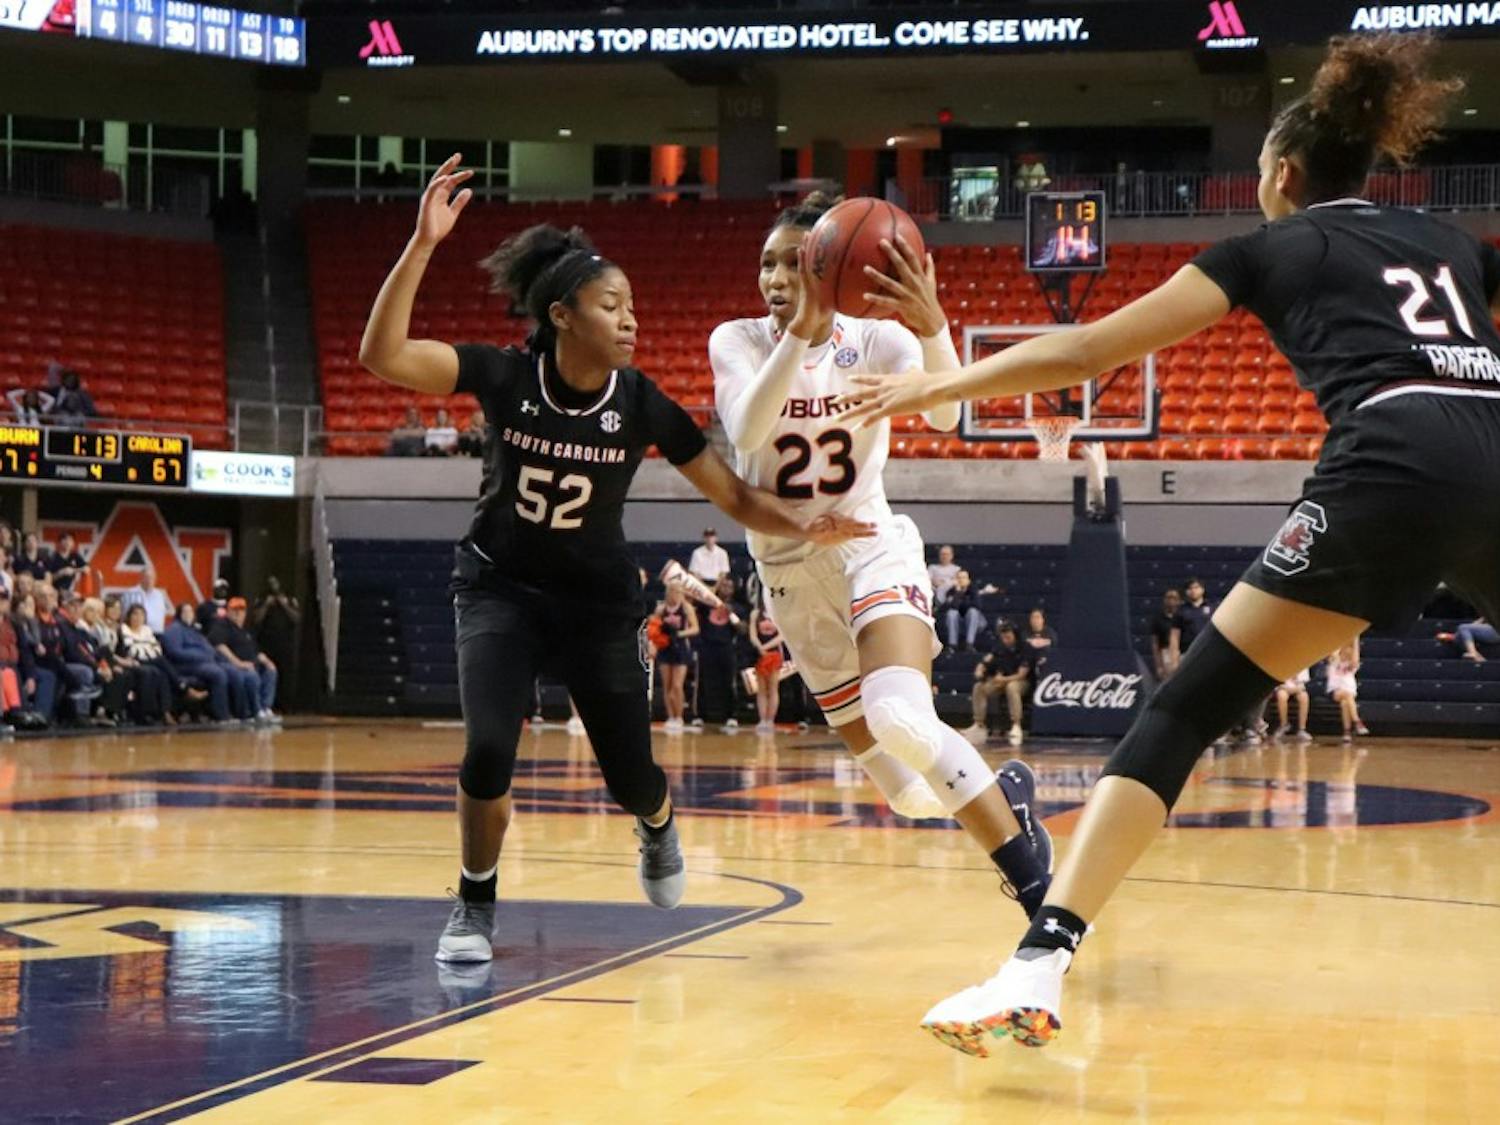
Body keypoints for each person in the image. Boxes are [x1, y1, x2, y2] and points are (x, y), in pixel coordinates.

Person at [836, 33, 1494, 1054]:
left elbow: (1088, 347)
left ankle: (1039, 958)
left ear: (1282, 174)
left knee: (1186, 708)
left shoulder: (1272, 246)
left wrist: (941, 382)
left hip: (1395, 454)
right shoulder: (1451, 241)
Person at [357, 153, 875, 965]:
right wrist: (423, 244)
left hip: (598, 606)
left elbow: (735, 497)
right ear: (562, 314)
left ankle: (657, 823)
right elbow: (382, 354)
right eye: (612, 306)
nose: (632, 321)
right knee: (487, 749)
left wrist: (813, 526)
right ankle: (474, 902)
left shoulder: (641, 403)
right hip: (499, 589)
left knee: (631, 773)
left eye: (633, 306)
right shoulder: (504, 375)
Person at [708, 190, 1054, 914]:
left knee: (899, 714)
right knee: (908, 794)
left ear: (828, 267)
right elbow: (745, 430)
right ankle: (1009, 795)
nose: (775, 278)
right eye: (767, 263)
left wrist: (934, 328)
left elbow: (946, 413)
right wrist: (798, 336)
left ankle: (1041, 898)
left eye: (794, 263)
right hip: (789, 575)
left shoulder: (876, 341)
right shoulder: (737, 339)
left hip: (870, 547)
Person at [119, 603, 194, 724]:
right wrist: (148, 652)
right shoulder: (124, 629)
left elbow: (157, 649)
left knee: (162, 674)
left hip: (150, 660)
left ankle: (165, 712)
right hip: (133, 661)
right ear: (129, 616)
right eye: (135, 614)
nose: (138, 618)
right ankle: (183, 687)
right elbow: (132, 651)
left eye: (141, 615)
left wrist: (146, 652)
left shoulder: (146, 630)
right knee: (161, 662)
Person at [209, 596, 279, 722]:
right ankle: (256, 710)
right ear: (228, 611)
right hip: (234, 665)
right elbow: (220, 646)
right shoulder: (222, 626)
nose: (238, 613)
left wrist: (267, 661)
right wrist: (238, 663)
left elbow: (256, 651)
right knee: (252, 676)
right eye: (234, 610)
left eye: (241, 610)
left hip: (252, 663)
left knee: (271, 671)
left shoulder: (246, 631)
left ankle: (265, 707)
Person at [162, 603, 236, 723]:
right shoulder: (173, 630)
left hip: (205, 663)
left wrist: (214, 657)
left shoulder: (195, 630)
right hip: (186, 666)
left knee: (232, 671)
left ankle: (241, 713)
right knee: (218, 674)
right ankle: (221, 715)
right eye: (185, 611)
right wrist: (201, 657)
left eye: (191, 611)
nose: (189, 614)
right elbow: (174, 652)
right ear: (179, 614)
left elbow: (208, 648)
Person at [966, 620, 1034, 746]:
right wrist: (980, 668)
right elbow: (987, 660)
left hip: (1021, 681)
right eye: (1003, 637)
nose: (1005, 640)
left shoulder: (1026, 648)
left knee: (1012, 687)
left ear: (1015, 635)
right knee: (979, 687)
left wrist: (1003, 680)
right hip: (1001, 680)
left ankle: (1016, 724)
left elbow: (1022, 674)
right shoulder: (999, 647)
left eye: (1008, 637)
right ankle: (979, 724)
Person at [696, 573, 746, 729]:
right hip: (707, 646)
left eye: (729, 586)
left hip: (726, 647)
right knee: (703, 681)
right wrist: (715, 588)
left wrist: (731, 615)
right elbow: (697, 597)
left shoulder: (737, 607)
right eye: (723, 585)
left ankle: (731, 715)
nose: (726, 588)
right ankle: (700, 715)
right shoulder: (708, 604)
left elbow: (743, 629)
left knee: (728, 682)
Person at [653, 584, 698, 733]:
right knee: (667, 685)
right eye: (672, 591)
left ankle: (679, 716)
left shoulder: (686, 608)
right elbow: (654, 626)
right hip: (665, 648)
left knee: (677, 685)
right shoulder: (661, 609)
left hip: (680, 647)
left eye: (677, 591)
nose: (674, 594)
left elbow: (695, 628)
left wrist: (678, 634)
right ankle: (671, 716)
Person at [252, 576, 300, 709]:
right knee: (267, 671)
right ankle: (265, 704)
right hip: (266, 642)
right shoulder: (262, 598)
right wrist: (266, 605)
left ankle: (286, 705)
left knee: (285, 675)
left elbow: (296, 618)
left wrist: (283, 604)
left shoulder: (290, 599)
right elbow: (256, 619)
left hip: (285, 642)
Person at [11, 592, 56, 722]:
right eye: (26, 604)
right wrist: (30, 675)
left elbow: (37, 640)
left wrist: (32, 621)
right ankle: (36, 715)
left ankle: (41, 715)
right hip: (17, 664)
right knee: (46, 674)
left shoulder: (30, 622)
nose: (29, 608)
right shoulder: (14, 623)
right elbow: (25, 648)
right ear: (17, 606)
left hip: (29, 662)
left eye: (32, 604)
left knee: (51, 673)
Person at [747, 596, 784, 734]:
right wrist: (760, 648)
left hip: (774, 653)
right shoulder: (755, 613)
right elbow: (752, 635)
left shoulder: (779, 612)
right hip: (759, 654)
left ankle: (770, 720)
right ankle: (762, 719)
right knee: (761, 689)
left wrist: (766, 647)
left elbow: (782, 636)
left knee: (773, 688)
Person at [1326, 641, 1369, 743]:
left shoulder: (1353, 665)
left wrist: (1355, 640)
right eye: (1345, 650)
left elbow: (1356, 658)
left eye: (1349, 651)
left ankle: (1347, 732)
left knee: (1345, 703)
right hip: (1335, 690)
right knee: (1348, 696)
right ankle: (1357, 721)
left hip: (1349, 690)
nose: (1347, 652)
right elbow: (1332, 654)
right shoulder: (1334, 662)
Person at [939, 569, 987, 651]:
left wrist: (960, 604)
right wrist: (958, 593)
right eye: (958, 578)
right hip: (957, 623)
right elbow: (950, 607)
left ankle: (969, 644)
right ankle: (952, 645)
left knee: (972, 611)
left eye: (964, 577)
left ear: (969, 580)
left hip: (975, 623)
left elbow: (977, 605)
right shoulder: (951, 592)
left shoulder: (973, 589)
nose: (961, 580)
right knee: (951, 613)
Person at [121, 565, 170, 633]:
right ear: (141, 578)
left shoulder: (160, 595)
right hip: (137, 633)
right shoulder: (130, 593)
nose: (149, 580)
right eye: (146, 577)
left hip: (157, 633)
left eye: (152, 578)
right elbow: (124, 614)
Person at [1150, 588, 1184, 681]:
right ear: (1164, 600)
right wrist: (1159, 665)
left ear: (1180, 601)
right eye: (1169, 597)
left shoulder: (1184, 617)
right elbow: (1155, 643)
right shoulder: (1157, 619)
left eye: (1174, 598)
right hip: (1166, 653)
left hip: (1183, 652)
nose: (1171, 601)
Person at [1273, 667, 1312, 741]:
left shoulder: (1302, 663)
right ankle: (1284, 724)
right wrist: (1285, 687)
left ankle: (1302, 729)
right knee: (1281, 696)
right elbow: (1277, 681)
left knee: (1304, 697)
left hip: (1297, 688)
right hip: (1283, 687)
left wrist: (1296, 689)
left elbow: (1303, 683)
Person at [1177, 577, 1213, 652]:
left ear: (1202, 589)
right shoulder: (1181, 610)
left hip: (1208, 649)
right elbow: (1175, 634)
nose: (1193, 590)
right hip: (1187, 651)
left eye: (1196, 587)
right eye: (1190, 588)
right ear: (1186, 591)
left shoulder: (1212, 608)